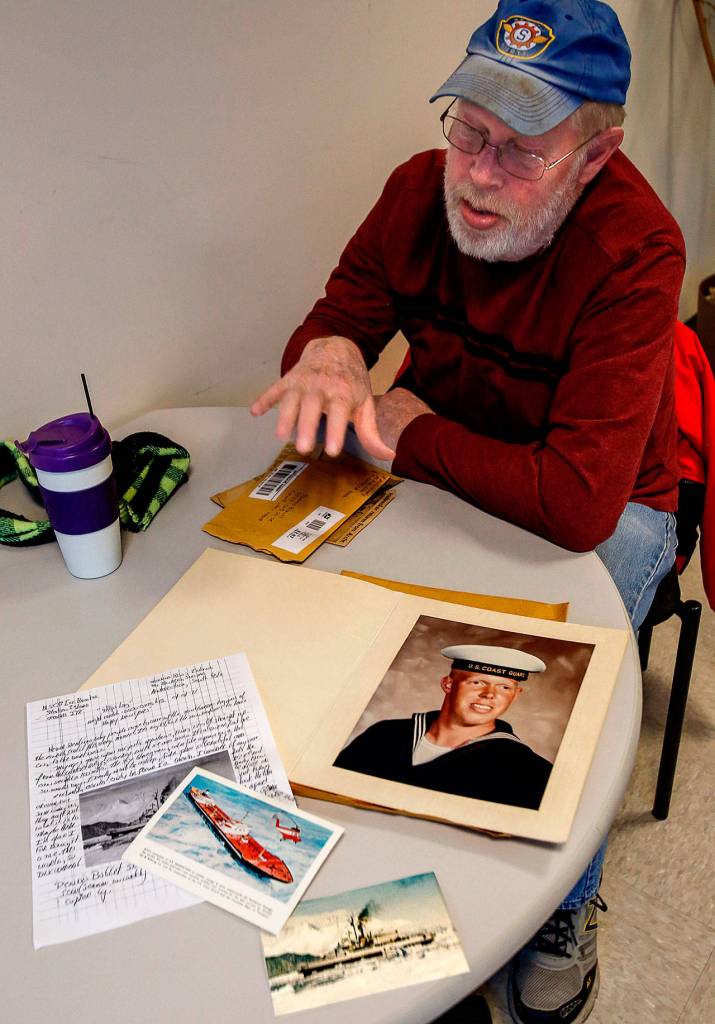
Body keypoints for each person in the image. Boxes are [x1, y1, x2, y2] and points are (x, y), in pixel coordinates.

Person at [251, 2, 684, 1021]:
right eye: (468, 129)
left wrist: (409, 433)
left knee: (531, 717)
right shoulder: (416, 187)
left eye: (521, 149)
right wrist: (327, 351)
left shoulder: (637, 249)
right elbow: (333, 335)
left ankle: (558, 910)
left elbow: (576, 504)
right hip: (462, 461)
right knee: (362, 677)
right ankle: (371, 901)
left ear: (594, 155)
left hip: (612, 502)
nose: (478, 174)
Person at [335, 644, 552, 810]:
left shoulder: (528, 770)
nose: (489, 694)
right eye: (477, 682)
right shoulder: (385, 735)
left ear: (515, 696)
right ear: (448, 684)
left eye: (504, 687)